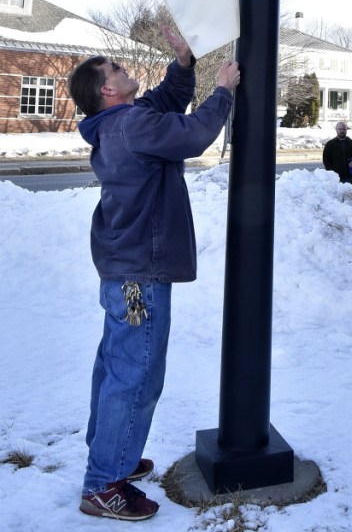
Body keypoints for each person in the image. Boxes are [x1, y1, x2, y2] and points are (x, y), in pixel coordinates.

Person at [67, 27, 240, 521]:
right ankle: (104, 484)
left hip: (124, 270)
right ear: (107, 89)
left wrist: (183, 65)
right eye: (117, 71)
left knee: (114, 367)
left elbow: (165, 102)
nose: (125, 71)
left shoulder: (121, 122)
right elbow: (192, 134)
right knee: (135, 375)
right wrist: (223, 90)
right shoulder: (131, 128)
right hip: (139, 276)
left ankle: (111, 455)